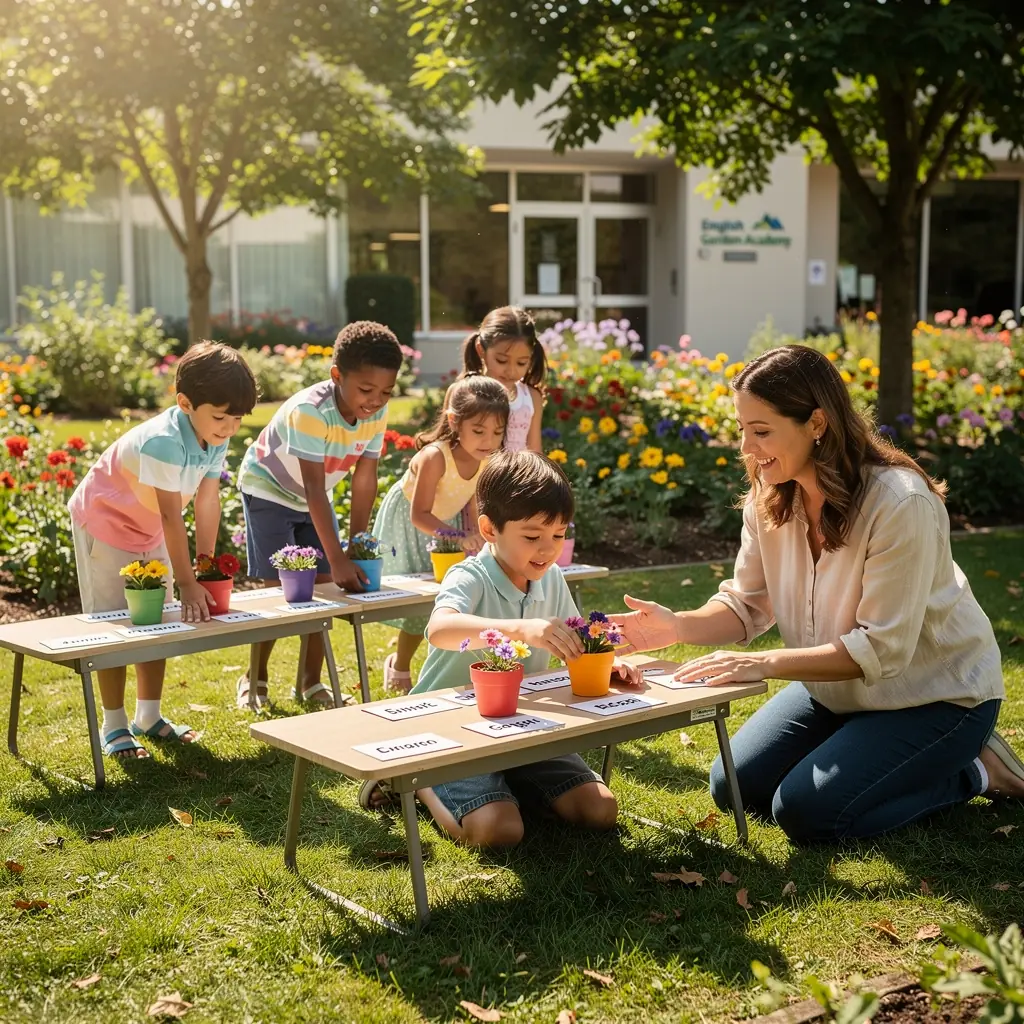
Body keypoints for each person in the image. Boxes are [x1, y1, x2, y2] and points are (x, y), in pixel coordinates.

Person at [617, 344, 1024, 843]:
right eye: (743, 430)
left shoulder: (901, 503)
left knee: (808, 814)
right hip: (838, 692)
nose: (747, 448)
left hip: (936, 698)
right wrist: (676, 626)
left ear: (816, 423)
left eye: (761, 432)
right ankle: (866, 747)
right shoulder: (770, 499)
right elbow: (746, 605)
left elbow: (881, 647)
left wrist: (766, 664)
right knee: (735, 788)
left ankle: (975, 771)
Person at [361, 450, 642, 848]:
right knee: (498, 831)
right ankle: (412, 779)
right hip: (448, 730)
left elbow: (572, 643)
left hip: (523, 727)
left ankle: (507, 780)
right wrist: (519, 629)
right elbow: (440, 628)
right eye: (532, 537)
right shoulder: (469, 574)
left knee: (599, 811)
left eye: (558, 535)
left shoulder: (553, 577)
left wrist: (606, 666)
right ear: (489, 529)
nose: (547, 550)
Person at [69, 343, 258, 760]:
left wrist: (204, 567)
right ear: (185, 403)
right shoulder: (163, 442)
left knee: (155, 623)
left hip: (148, 525)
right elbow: (174, 517)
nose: (229, 427)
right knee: (116, 624)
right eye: (221, 416)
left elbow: (207, 501)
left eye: (237, 418)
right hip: (105, 525)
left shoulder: (214, 435)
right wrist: (187, 583)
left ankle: (148, 717)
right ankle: (114, 724)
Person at [237, 321, 403, 709]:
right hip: (269, 490)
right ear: (336, 376)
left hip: (311, 496)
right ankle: (255, 678)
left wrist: (354, 548)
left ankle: (310, 683)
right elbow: (313, 488)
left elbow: (365, 479)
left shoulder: (376, 411)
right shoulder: (311, 412)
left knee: (327, 583)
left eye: (386, 391)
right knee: (284, 589)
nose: (376, 400)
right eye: (365, 390)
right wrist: (339, 555)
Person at [375, 375, 508, 693]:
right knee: (417, 603)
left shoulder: (484, 459)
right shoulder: (436, 456)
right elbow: (418, 514)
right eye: (478, 431)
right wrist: (458, 537)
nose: (488, 440)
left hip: (443, 528)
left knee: (444, 598)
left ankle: (441, 664)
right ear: (454, 421)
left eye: (497, 432)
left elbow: (477, 506)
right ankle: (400, 665)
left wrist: (486, 539)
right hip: (410, 524)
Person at [460, 306, 546, 453]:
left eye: (521, 363)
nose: (511, 371)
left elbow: (535, 451)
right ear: (481, 350)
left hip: (518, 475)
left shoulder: (532, 398)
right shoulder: (467, 393)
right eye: (501, 360)